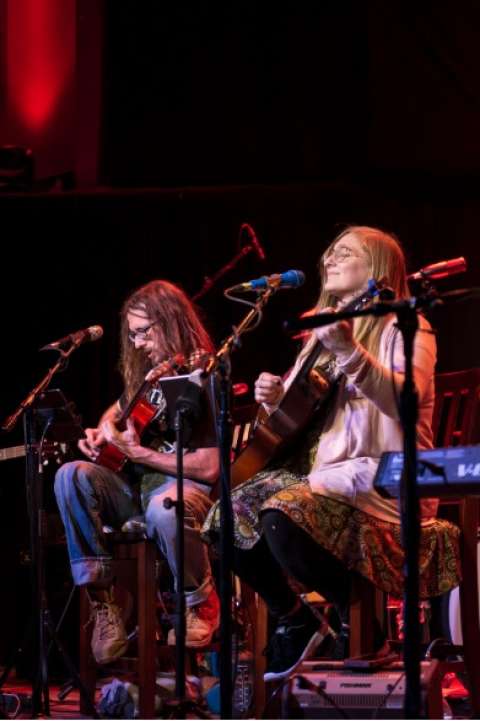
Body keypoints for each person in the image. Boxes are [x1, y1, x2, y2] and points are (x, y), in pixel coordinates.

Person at [202, 225, 460, 681]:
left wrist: (351, 351)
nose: (329, 260)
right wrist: (273, 398)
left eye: (345, 253)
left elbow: (405, 402)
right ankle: (296, 620)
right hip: (325, 475)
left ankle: (358, 620)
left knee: (282, 512)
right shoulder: (320, 337)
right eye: (329, 253)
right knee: (224, 518)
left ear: (377, 267)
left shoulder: (407, 327)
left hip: (383, 475)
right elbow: (297, 420)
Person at [55, 280, 220, 665]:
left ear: (170, 322)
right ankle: (104, 601)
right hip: (136, 491)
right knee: (70, 475)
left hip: (183, 493)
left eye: (144, 332)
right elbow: (115, 413)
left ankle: (199, 602)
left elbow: (211, 467)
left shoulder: (203, 375)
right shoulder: (149, 376)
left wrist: (139, 453)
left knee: (166, 508)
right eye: (132, 335)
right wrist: (101, 433)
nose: (138, 343)